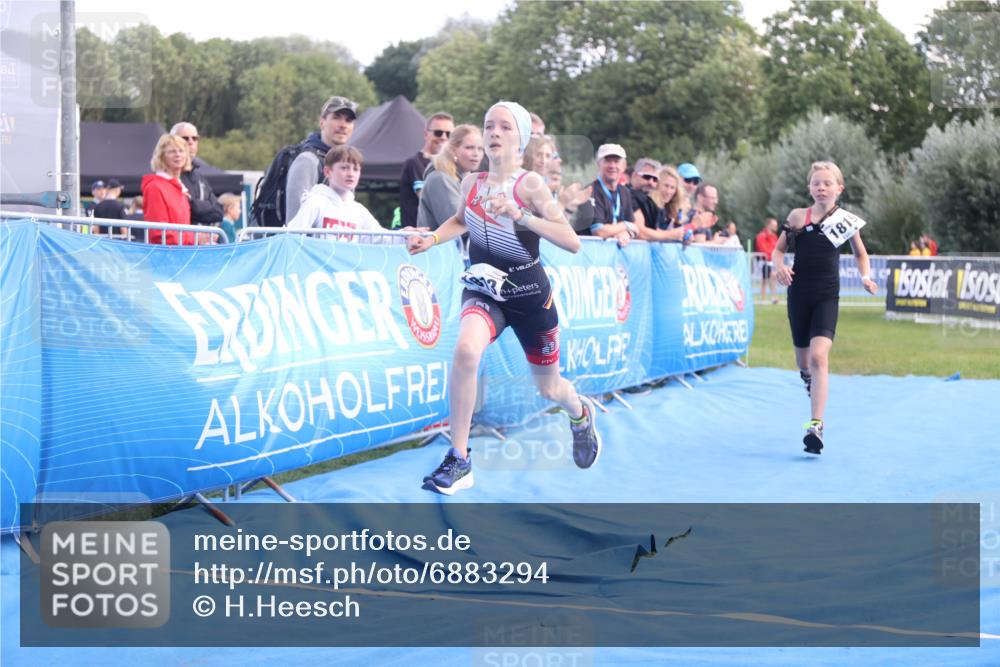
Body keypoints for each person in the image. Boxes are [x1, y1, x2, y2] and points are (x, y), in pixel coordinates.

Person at [407, 100, 601, 494]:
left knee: (550, 388)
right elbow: (460, 221)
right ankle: (459, 459)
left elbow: (570, 241)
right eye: (488, 125)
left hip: (530, 298)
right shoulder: (471, 183)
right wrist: (431, 237)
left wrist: (521, 215)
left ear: (520, 140)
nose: (493, 132)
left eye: (504, 127)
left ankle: (580, 413)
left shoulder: (530, 185)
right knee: (465, 352)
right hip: (484, 289)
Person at [772, 161, 878, 455]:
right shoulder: (797, 216)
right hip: (798, 295)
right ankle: (807, 378)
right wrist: (779, 268)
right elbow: (778, 251)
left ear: (839, 189)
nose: (821, 187)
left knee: (819, 357)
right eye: (816, 183)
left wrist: (865, 276)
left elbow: (861, 255)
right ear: (810, 188)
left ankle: (816, 425)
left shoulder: (847, 221)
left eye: (827, 183)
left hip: (827, 296)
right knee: (803, 362)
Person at [286, 145, 399, 244]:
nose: (351, 174)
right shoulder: (315, 202)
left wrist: (408, 236)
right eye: (344, 168)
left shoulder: (359, 211)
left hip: (348, 268)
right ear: (327, 172)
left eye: (356, 169)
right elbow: (292, 236)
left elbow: (382, 238)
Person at [285, 96, 358, 222]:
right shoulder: (307, 161)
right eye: (336, 117)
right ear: (322, 122)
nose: (343, 125)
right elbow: (295, 223)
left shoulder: (346, 165)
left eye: (348, 120)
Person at [416, 124, 484, 231]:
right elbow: (458, 224)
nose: (476, 154)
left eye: (480, 149)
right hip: (441, 246)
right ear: (453, 150)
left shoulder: (466, 177)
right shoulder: (440, 178)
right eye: (469, 147)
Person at [573, 144, 639, 247]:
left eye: (616, 161)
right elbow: (598, 231)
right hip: (588, 255)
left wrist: (625, 233)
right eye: (607, 161)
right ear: (598, 164)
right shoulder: (590, 190)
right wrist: (626, 225)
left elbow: (635, 228)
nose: (612, 166)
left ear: (624, 166)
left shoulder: (625, 192)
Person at [400, 112, 455, 229]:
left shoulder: (452, 166)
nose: (444, 137)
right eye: (438, 133)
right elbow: (429, 197)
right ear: (426, 134)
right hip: (418, 237)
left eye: (449, 134)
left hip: (440, 238)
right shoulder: (415, 163)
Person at [142, 134, 195, 245]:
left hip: (182, 254)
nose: (178, 155)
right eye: (172, 151)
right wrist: (194, 238)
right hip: (166, 257)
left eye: (181, 151)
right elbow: (158, 233)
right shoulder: (155, 187)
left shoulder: (181, 188)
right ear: (162, 156)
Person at [170, 122, 224, 226]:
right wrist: (205, 206)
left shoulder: (200, 179)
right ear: (171, 143)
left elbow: (218, 212)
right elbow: (180, 210)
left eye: (194, 138)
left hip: (201, 240)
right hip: (182, 239)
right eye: (185, 138)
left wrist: (194, 205)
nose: (191, 142)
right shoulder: (169, 177)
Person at [755, 217, 780, 304]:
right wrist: (772, 254)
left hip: (771, 261)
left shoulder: (774, 236)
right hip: (764, 261)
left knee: (768, 279)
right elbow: (762, 249)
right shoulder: (761, 236)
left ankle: (769, 298)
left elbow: (777, 248)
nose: (776, 227)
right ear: (769, 225)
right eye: (774, 225)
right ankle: (768, 298)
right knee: (767, 278)